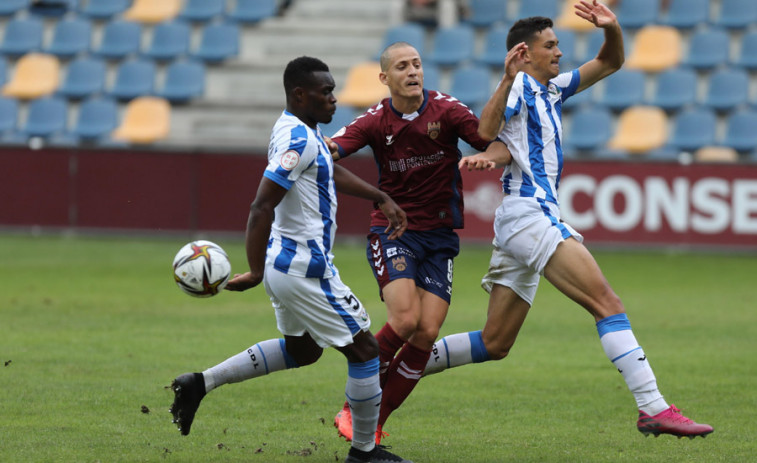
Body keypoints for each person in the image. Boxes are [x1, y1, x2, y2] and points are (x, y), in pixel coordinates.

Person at [422, 1, 714, 439]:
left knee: (495, 342)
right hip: (530, 215)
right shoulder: (519, 88)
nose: (559, 52)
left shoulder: (553, 89)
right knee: (607, 304)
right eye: (550, 45)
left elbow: (611, 60)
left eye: (558, 45)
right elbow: (486, 131)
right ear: (525, 53)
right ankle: (653, 407)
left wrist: (611, 26)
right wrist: (505, 81)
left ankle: (403, 364)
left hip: (521, 220)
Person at [168, 56, 413, 463]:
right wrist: (255, 270)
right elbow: (260, 206)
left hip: (286, 266)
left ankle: (199, 383)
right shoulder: (298, 140)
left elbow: (325, 171)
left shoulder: (296, 130)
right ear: (300, 94)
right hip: (305, 269)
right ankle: (365, 453)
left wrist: (379, 196)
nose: (334, 99)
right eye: (325, 92)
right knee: (367, 352)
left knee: (304, 352)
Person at [326, 41, 510, 443]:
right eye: (403, 67)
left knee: (426, 332)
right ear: (385, 78)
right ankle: (352, 405)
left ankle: (373, 422)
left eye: (417, 65)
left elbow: (494, 142)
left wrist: (490, 158)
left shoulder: (447, 110)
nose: (413, 72)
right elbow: (332, 150)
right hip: (394, 232)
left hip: (440, 238)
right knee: (406, 320)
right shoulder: (375, 121)